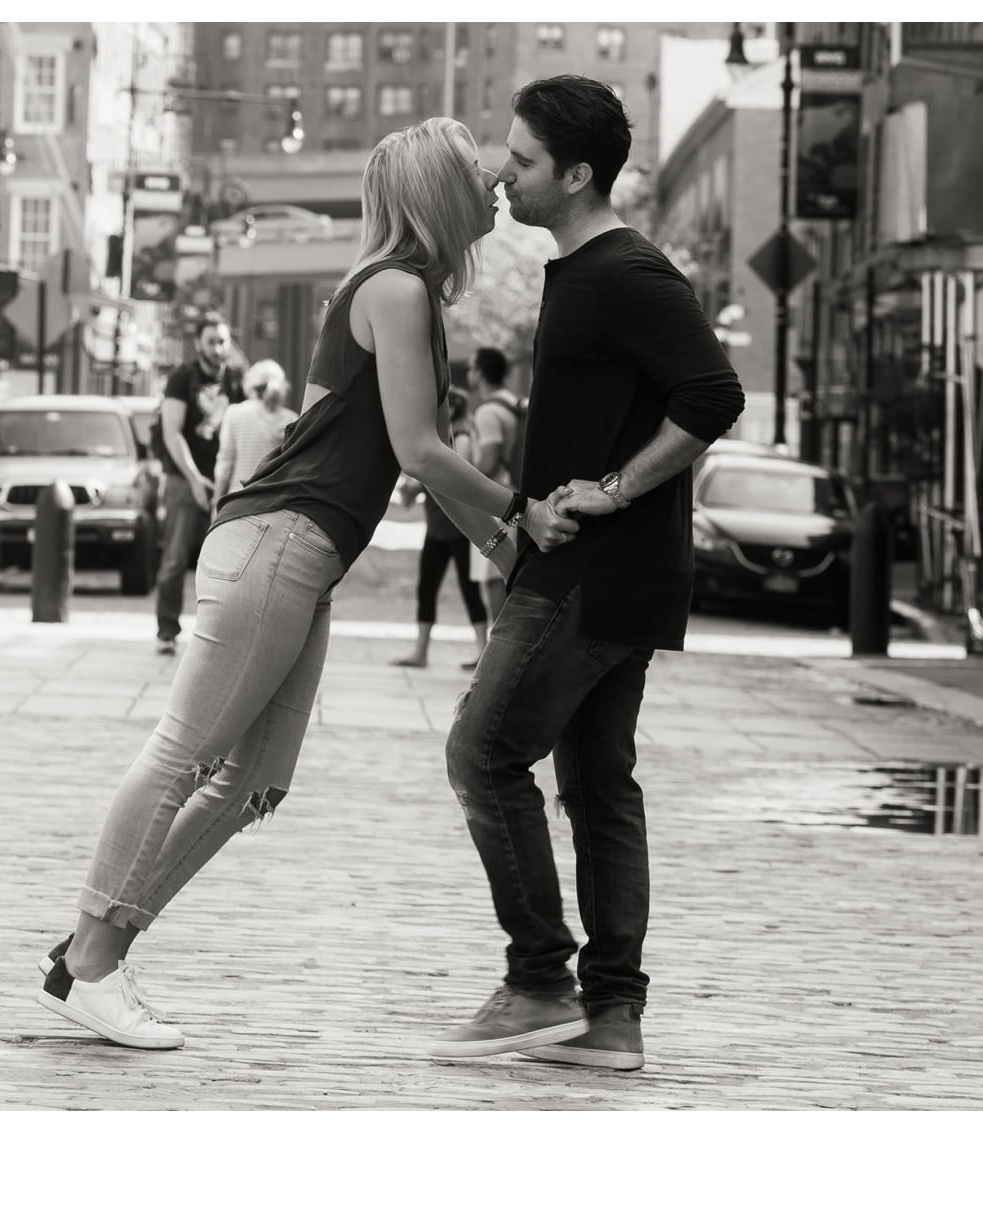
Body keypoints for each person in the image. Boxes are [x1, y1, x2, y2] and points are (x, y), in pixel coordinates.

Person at [36, 116, 581, 1050]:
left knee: (255, 783)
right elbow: (420, 450)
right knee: (183, 757)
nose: (494, 181)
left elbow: (393, 459)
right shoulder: (400, 288)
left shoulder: (396, 291)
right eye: (476, 171)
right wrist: (520, 514)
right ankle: (92, 964)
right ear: (436, 191)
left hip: (297, 553)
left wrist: (506, 548)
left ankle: (96, 949)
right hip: (278, 543)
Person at [427, 76, 745, 1071]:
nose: (501, 172)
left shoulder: (625, 273)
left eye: (519, 161)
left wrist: (609, 489)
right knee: (598, 787)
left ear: (574, 173)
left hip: (591, 580)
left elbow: (713, 393)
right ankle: (610, 1020)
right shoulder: (583, 271)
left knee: (480, 756)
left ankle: (536, 983)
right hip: (608, 578)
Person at [154, 315, 244, 656]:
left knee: (227, 563)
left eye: (223, 341)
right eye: (211, 342)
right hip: (184, 478)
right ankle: (166, 631)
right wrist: (193, 479)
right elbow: (171, 432)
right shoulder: (181, 378)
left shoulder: (236, 380)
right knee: (175, 559)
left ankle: (219, 635)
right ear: (198, 344)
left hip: (226, 483)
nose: (218, 349)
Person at [392, 386, 488, 669]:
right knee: (427, 589)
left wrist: (421, 482)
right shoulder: (438, 442)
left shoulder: (462, 438)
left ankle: (483, 652)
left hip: (460, 528)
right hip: (436, 528)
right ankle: (420, 652)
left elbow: (459, 478)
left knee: (469, 589)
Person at [467, 347, 523, 619]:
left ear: (479, 372)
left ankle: (498, 644)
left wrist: (460, 475)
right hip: (518, 496)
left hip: (496, 502)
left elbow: (489, 462)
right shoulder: (514, 403)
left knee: (494, 576)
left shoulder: (488, 411)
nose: (469, 374)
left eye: (471, 368)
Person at [213, 359, 297, 506]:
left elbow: (225, 463)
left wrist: (216, 499)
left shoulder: (234, 413)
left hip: (238, 500)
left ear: (250, 385)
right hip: (275, 503)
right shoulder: (292, 419)